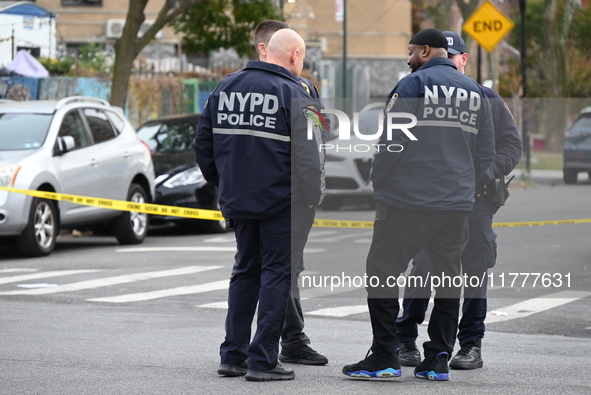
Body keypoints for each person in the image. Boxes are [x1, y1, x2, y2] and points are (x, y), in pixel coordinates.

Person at [342, 28, 495, 381]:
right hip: (456, 205)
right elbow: (485, 152)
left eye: (411, 51)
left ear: (426, 50)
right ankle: (438, 359)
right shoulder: (475, 91)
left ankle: (384, 355)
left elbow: (391, 142)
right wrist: (464, 185)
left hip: (406, 202)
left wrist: (379, 182)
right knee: (447, 279)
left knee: (381, 272)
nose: (408, 58)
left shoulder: (411, 85)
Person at [195, 29, 324, 381]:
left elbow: (203, 146)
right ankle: (263, 359)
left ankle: (233, 355)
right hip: (282, 203)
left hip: (239, 200)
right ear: (296, 56)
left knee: (244, 272)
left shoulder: (225, 87)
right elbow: (311, 157)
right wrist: (310, 198)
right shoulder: (299, 94)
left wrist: (224, 184)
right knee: (276, 276)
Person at [396, 31, 523, 370]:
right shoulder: (422, 92)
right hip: (432, 200)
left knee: (473, 273)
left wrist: (483, 173)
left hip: (476, 200)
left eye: (453, 57)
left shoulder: (486, 97)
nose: (448, 64)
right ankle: (405, 339)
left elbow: (512, 147)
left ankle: (470, 345)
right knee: (422, 270)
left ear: (463, 59)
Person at [252, 19, 329, 366]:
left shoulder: (307, 89)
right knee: (280, 268)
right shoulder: (254, 87)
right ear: (263, 49)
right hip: (281, 195)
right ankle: (290, 340)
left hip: (300, 194)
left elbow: (323, 129)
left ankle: (288, 338)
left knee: (288, 267)